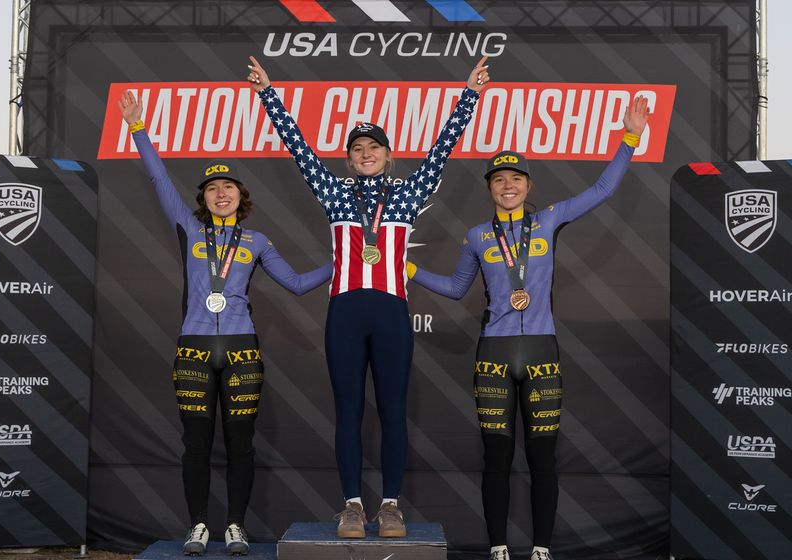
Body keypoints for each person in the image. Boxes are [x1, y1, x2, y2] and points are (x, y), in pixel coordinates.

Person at [245, 55, 489, 538]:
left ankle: (391, 507)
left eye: (374, 146)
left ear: (388, 154)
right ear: (349, 158)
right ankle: (353, 505)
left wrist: (470, 96)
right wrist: (267, 94)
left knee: (394, 409)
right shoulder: (334, 193)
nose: (366, 152)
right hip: (345, 312)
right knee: (349, 409)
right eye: (357, 148)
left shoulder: (407, 194)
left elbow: (442, 148)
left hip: (392, 311)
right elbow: (299, 151)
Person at [406, 97, 650, 560]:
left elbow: (600, 190)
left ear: (528, 185)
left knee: (542, 459)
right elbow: (457, 288)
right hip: (494, 357)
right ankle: (498, 547)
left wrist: (630, 138)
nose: (508, 186)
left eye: (515, 178)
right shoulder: (478, 236)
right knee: (496, 459)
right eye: (499, 180)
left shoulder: (548, 220)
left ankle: (541, 548)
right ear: (490, 189)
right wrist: (409, 269)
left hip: (541, 353)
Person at [117, 91, 331, 556]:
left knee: (240, 443)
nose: (220, 192)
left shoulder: (256, 240)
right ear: (202, 199)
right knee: (196, 443)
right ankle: (198, 525)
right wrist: (137, 128)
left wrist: (343, 265)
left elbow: (295, 283)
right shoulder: (189, 230)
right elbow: (158, 179)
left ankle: (235, 524)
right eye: (212, 187)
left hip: (241, 349)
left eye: (228, 186)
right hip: (193, 346)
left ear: (241, 197)